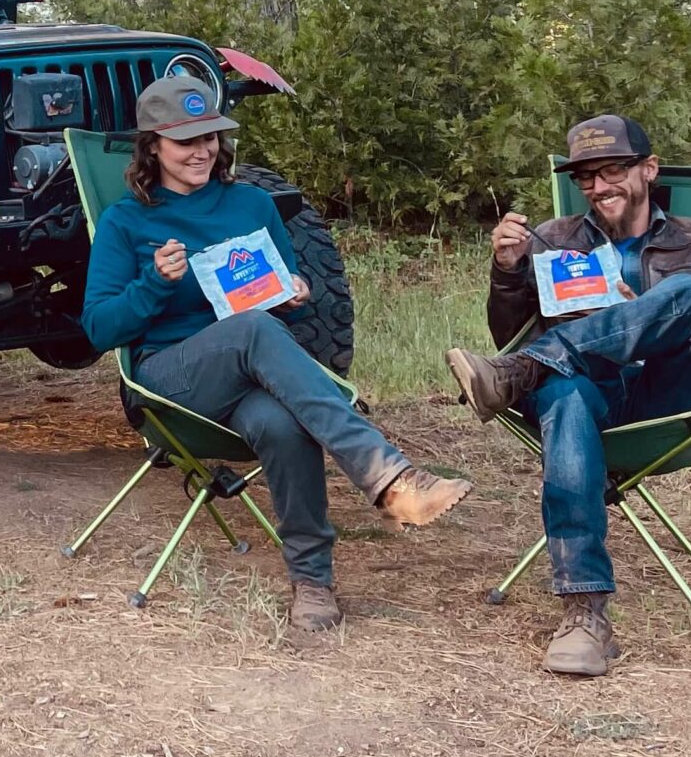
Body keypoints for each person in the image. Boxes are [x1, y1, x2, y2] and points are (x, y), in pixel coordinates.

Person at [82, 77, 471, 637]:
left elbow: (276, 302)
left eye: (210, 136)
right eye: (185, 141)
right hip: (171, 378)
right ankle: (386, 476)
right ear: (152, 148)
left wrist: (295, 293)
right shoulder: (127, 221)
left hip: (252, 369)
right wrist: (152, 283)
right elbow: (97, 329)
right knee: (252, 329)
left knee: (281, 422)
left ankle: (312, 582)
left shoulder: (252, 204)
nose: (201, 150)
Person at [445, 112, 691, 679]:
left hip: (666, 394)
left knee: (688, 294)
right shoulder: (554, 239)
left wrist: (643, 318)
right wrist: (506, 270)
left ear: (648, 170)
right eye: (586, 177)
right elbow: (508, 332)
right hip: (586, 391)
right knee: (566, 393)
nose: (599, 187)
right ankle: (584, 612)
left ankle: (517, 374)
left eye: (613, 170)